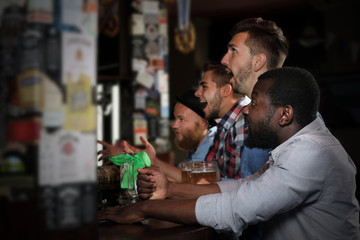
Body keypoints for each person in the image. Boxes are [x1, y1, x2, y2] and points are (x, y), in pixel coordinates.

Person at [98, 67, 360, 240]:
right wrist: (169, 189)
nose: (246, 109)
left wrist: (147, 208)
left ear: (285, 114)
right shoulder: (297, 146)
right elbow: (243, 187)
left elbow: (235, 208)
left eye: (254, 102)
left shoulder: (310, 153)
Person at [98, 89, 216, 182]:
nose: (174, 125)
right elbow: (179, 178)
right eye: (175, 119)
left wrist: (143, 160)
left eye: (181, 119)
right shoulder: (195, 148)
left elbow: (191, 182)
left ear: (203, 124)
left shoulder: (210, 144)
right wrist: (136, 158)